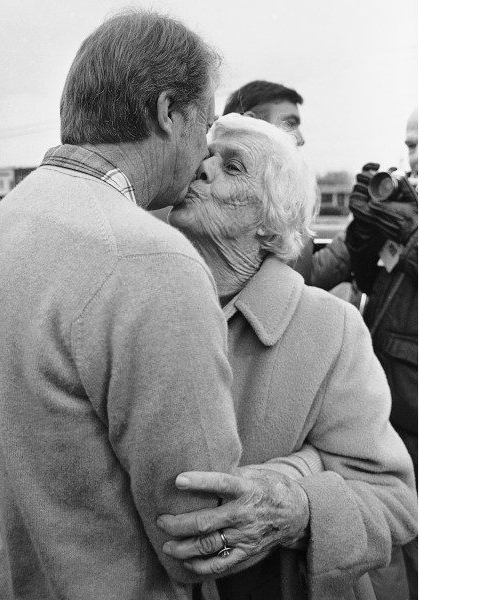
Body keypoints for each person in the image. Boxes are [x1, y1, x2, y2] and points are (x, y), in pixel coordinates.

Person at [0, 11, 250, 599]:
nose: (204, 151)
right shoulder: (150, 260)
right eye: (207, 122)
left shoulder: (0, 225)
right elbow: (199, 526)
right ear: (169, 112)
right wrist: (303, 482)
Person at [158, 113, 418, 600]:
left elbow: (395, 501)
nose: (203, 169)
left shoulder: (330, 327)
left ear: (270, 223)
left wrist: (296, 506)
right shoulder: (139, 304)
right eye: (206, 157)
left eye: (232, 167)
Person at [345, 108, 419, 600]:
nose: (413, 156)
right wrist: (366, 231)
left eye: (424, 143)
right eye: (410, 144)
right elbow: (366, 277)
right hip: (394, 397)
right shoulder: (415, 200)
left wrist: (410, 237)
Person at [221, 80, 352, 290]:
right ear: (251, 124)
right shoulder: (222, 203)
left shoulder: (277, 196)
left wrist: (354, 236)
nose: (301, 139)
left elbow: (302, 279)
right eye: (290, 124)